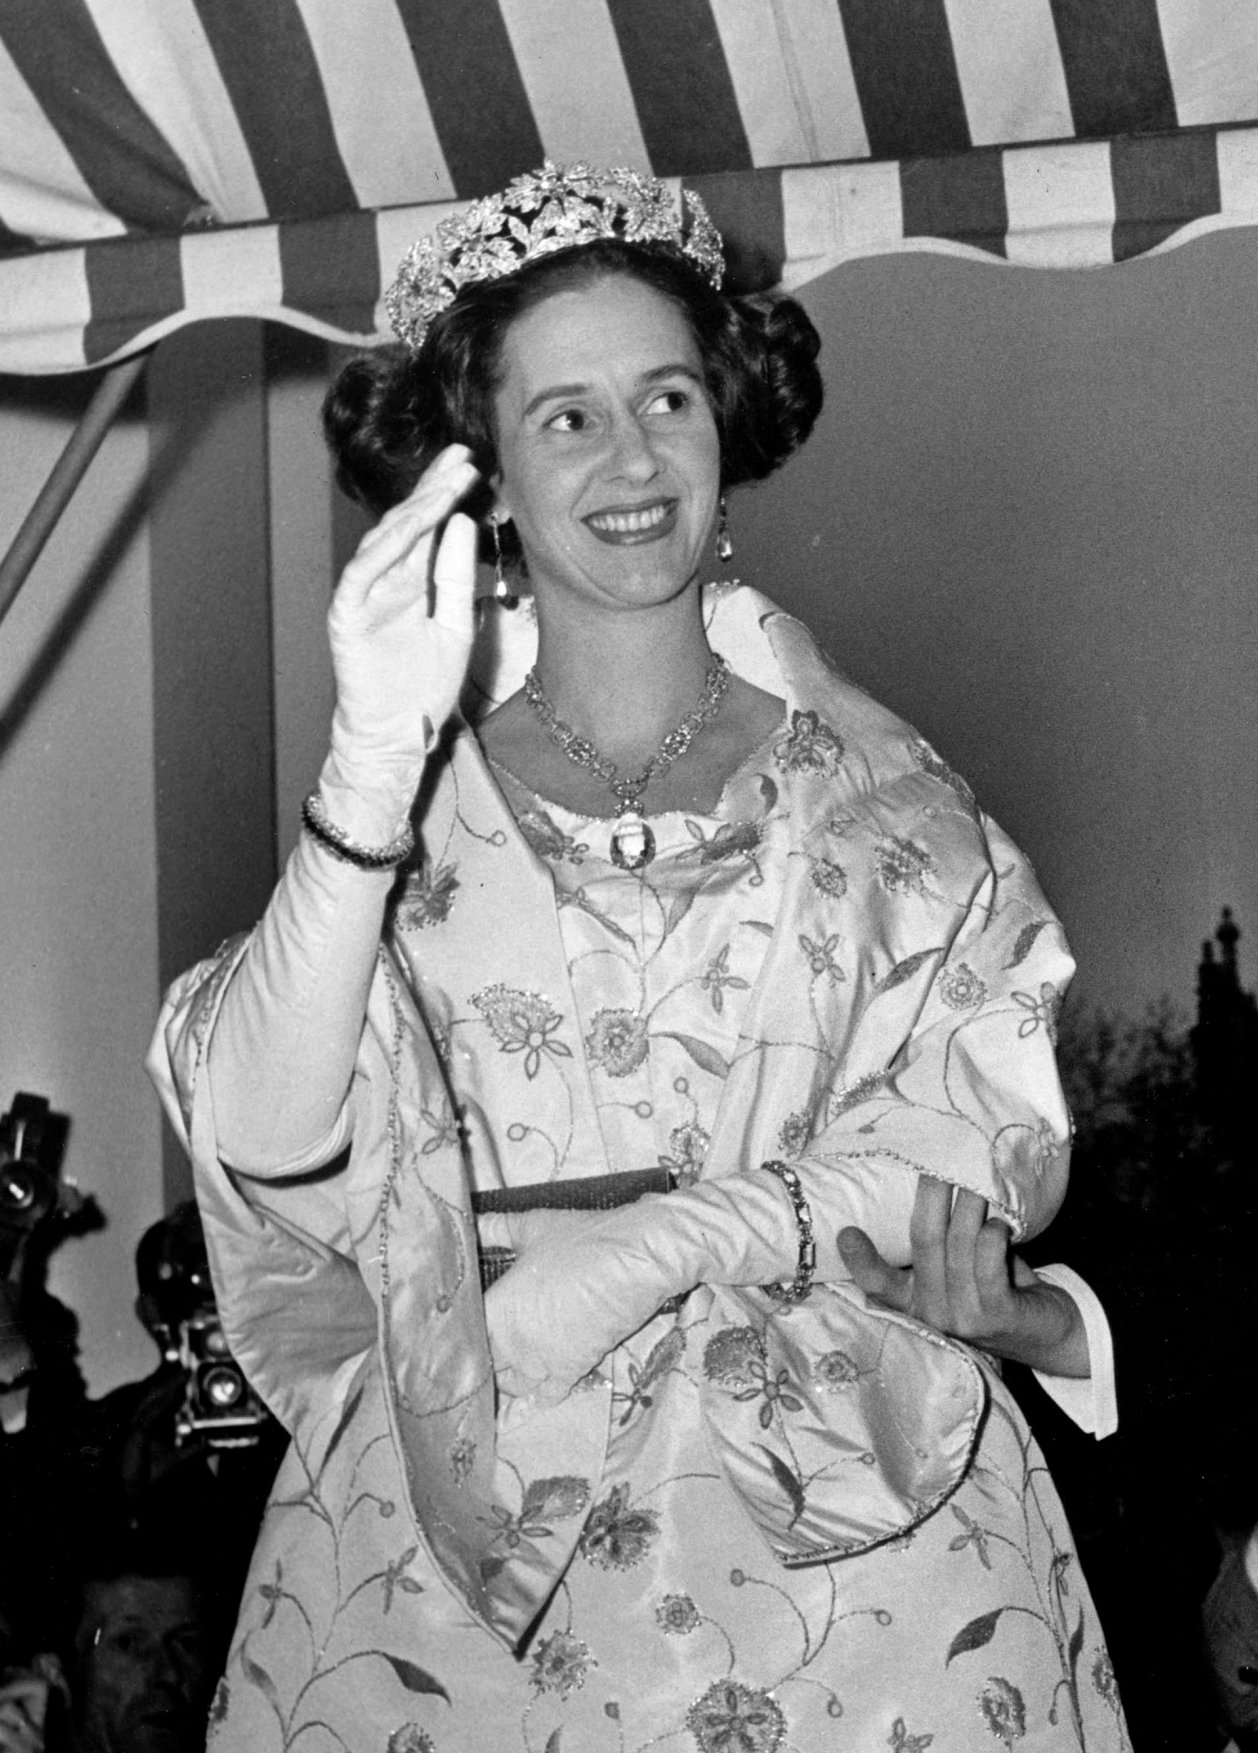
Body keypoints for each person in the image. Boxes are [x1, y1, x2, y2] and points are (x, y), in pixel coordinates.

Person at [148, 163, 1127, 1749]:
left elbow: (981, 1155)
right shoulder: (407, 798)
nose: (630, 455)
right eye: (565, 415)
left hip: (854, 1554)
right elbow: (264, 1135)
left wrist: (670, 1240)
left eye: (664, 394)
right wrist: (368, 767)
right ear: (483, 474)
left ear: (724, 422)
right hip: (458, 1566)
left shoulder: (892, 803)